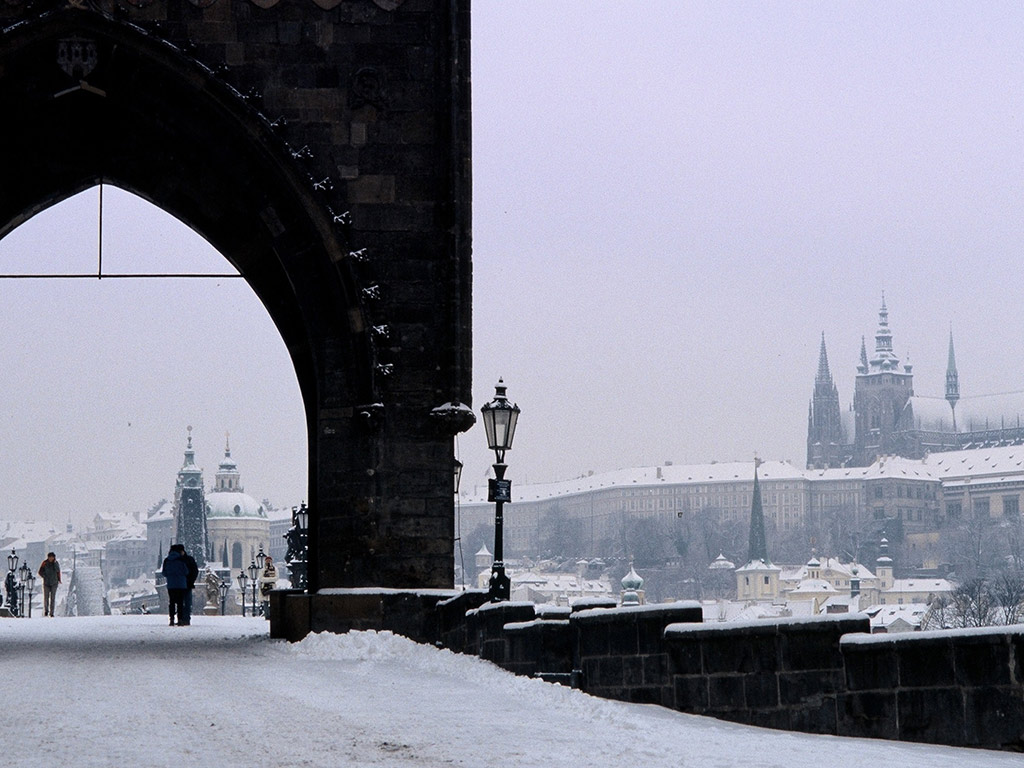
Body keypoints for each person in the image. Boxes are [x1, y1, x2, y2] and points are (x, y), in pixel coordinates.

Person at [161, 545, 189, 626]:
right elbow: (186, 571)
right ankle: (180, 619)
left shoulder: (167, 560)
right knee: (180, 602)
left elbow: (164, 572)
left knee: (172, 602)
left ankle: (172, 619)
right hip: (181, 584)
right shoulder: (181, 560)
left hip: (171, 584)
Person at [180, 545, 199, 626]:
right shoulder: (188, 559)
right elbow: (195, 571)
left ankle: (184, 619)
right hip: (185, 584)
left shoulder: (175, 560)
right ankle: (183, 619)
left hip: (183, 584)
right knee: (185, 602)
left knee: (184, 602)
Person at [37, 552, 61, 617]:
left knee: (53, 598)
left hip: (54, 583)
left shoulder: (56, 563)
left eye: (52, 557)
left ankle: (52, 612)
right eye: (50, 557)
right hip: (46, 583)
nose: (51, 558)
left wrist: (59, 580)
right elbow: (40, 572)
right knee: (46, 598)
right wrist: (44, 576)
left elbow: (58, 571)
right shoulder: (44, 563)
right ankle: (46, 611)